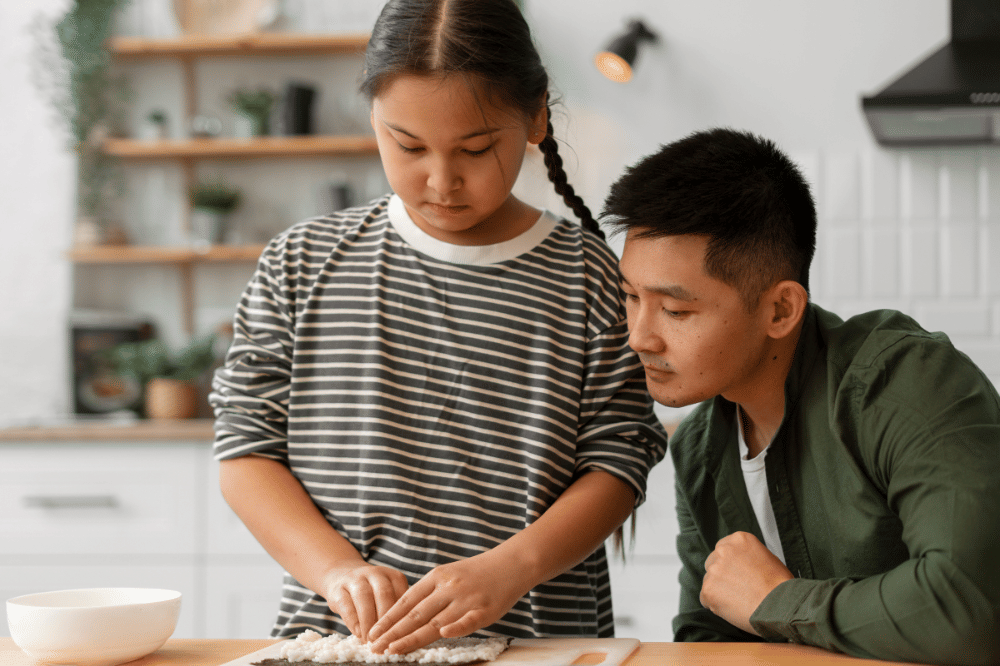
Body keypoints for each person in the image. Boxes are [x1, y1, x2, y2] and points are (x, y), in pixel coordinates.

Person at [209, 0, 667, 656]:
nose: (441, 180)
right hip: (343, 643)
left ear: (535, 117)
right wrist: (334, 570)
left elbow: (620, 459)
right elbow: (246, 450)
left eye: (476, 149)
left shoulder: (587, 274)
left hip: (538, 642)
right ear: (373, 117)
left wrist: (511, 569)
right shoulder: (301, 261)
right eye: (408, 145)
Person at [603, 127, 1000, 665]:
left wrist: (777, 601)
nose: (639, 336)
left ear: (780, 310)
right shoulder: (699, 449)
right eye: (630, 297)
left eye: (676, 310)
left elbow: (972, 608)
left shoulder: (905, 382)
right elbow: (706, 642)